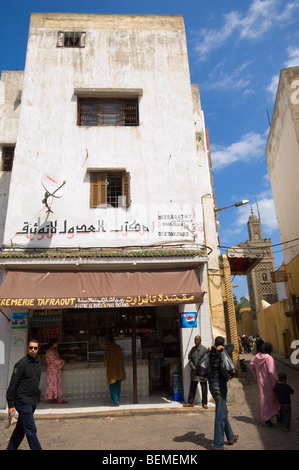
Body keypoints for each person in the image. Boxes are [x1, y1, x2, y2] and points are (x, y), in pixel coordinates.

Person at [6, 339, 42, 450]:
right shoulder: (21, 364)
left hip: (32, 402)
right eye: (31, 347)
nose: (33, 350)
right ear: (27, 348)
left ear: (38, 349)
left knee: (20, 430)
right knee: (31, 430)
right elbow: (13, 384)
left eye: (35, 348)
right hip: (22, 401)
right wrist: (11, 404)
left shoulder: (38, 363)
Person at [208, 336, 238, 450]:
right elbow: (232, 345)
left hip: (211, 384)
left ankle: (230, 437)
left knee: (223, 410)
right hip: (220, 385)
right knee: (220, 415)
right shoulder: (224, 351)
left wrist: (214, 348)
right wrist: (221, 347)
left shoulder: (210, 352)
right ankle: (218, 445)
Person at [250, 342, 280, 426]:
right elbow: (271, 372)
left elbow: (251, 365)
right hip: (269, 381)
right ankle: (274, 416)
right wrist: (275, 382)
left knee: (264, 399)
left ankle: (266, 417)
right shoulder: (269, 358)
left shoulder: (256, 357)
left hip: (260, 381)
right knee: (273, 399)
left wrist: (256, 373)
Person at [183, 335, 208, 408]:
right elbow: (190, 358)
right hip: (194, 372)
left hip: (202, 372)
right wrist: (192, 365)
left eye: (197, 340)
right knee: (192, 387)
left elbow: (206, 360)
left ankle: (204, 403)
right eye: (195, 340)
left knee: (204, 387)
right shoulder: (193, 349)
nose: (195, 341)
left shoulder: (204, 349)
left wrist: (201, 368)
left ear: (200, 340)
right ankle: (190, 402)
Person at [104, 336, 126, 406]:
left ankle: (116, 401)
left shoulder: (108, 348)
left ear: (108, 341)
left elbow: (106, 360)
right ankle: (117, 399)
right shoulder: (118, 347)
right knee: (118, 385)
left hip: (112, 370)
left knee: (112, 385)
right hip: (119, 369)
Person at [45, 339, 67, 404]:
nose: (57, 344)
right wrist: (62, 361)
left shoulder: (54, 351)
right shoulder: (49, 352)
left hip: (56, 370)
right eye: (56, 343)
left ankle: (57, 398)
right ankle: (51, 398)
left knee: (56, 383)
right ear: (53, 344)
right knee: (52, 383)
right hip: (52, 370)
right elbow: (54, 360)